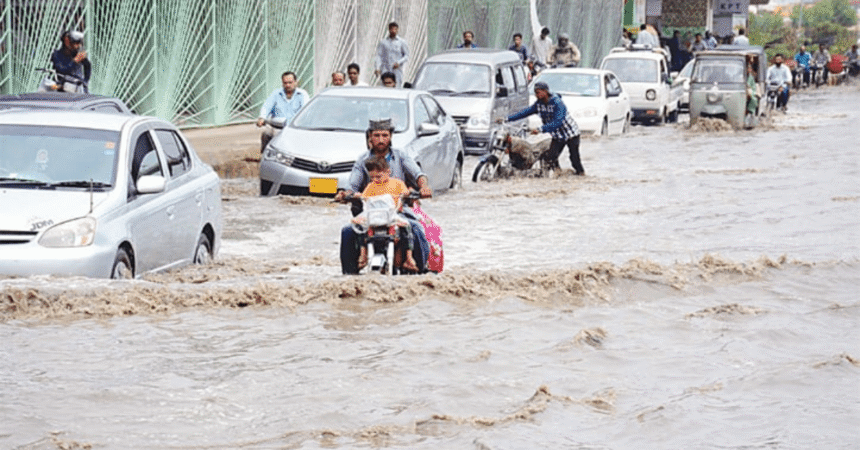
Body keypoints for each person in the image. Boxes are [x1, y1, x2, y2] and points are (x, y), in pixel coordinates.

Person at [335, 118, 433, 274]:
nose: (381, 140)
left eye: (385, 135)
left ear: (391, 137)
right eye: (376, 135)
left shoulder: (401, 156)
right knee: (348, 231)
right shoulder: (362, 161)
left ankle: (420, 272)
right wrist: (345, 195)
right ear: (369, 137)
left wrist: (424, 187)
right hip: (371, 214)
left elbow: (418, 174)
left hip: (397, 212)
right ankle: (349, 276)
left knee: (416, 228)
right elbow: (352, 186)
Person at [500, 81, 584, 176]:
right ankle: (557, 173)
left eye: (538, 92)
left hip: (570, 134)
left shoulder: (558, 103)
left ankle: (581, 174)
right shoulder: (539, 104)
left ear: (545, 91)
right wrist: (507, 119)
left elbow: (558, 122)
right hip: (557, 136)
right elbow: (525, 112)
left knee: (574, 158)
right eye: (535, 92)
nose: (537, 95)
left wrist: (540, 129)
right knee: (550, 157)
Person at [352, 156, 418, 272]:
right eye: (372, 177)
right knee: (359, 226)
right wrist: (357, 196)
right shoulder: (370, 186)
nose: (376, 180)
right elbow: (364, 197)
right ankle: (363, 255)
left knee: (407, 227)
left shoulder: (397, 184)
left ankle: (409, 257)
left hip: (393, 215)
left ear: (388, 172)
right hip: (374, 216)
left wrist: (410, 193)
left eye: (378, 176)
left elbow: (406, 194)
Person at [256, 71, 309, 152]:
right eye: (285, 83)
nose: (287, 85)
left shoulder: (302, 95)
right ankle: (264, 156)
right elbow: (267, 107)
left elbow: (306, 111)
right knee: (266, 133)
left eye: (290, 82)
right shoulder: (276, 94)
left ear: (296, 82)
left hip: (294, 128)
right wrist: (262, 118)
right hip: (277, 127)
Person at [375, 22, 409, 87]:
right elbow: (378, 55)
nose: (393, 31)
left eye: (395, 29)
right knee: (385, 85)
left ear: (397, 30)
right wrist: (377, 68)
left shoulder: (402, 42)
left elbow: (406, 56)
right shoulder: (383, 42)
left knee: (397, 85)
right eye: (392, 29)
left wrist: (399, 62)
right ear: (389, 29)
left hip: (396, 69)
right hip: (385, 68)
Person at [745, 62, 759, 127]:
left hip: (750, 92)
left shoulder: (751, 77)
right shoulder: (739, 76)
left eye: (749, 68)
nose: (748, 69)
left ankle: (750, 113)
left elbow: (752, 87)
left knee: (753, 98)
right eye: (747, 68)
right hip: (741, 92)